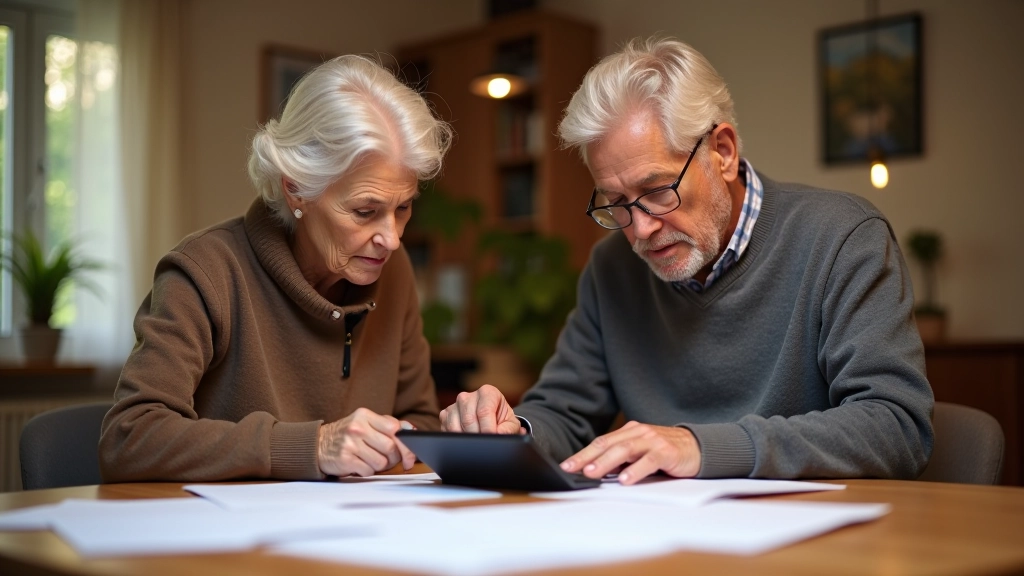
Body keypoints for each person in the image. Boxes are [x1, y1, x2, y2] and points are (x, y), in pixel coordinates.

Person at [440, 37, 934, 484]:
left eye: (656, 191)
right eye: (615, 201)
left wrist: (703, 447)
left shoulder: (842, 238)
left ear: (722, 151)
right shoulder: (613, 267)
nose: (639, 229)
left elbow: (896, 424)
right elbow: (564, 412)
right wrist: (513, 430)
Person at [99, 55, 452, 482]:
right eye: (365, 211)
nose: (392, 239)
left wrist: (431, 436)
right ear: (296, 189)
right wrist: (314, 446)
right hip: (223, 539)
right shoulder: (206, 273)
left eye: (403, 207)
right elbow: (129, 437)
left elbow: (421, 420)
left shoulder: (393, 276)